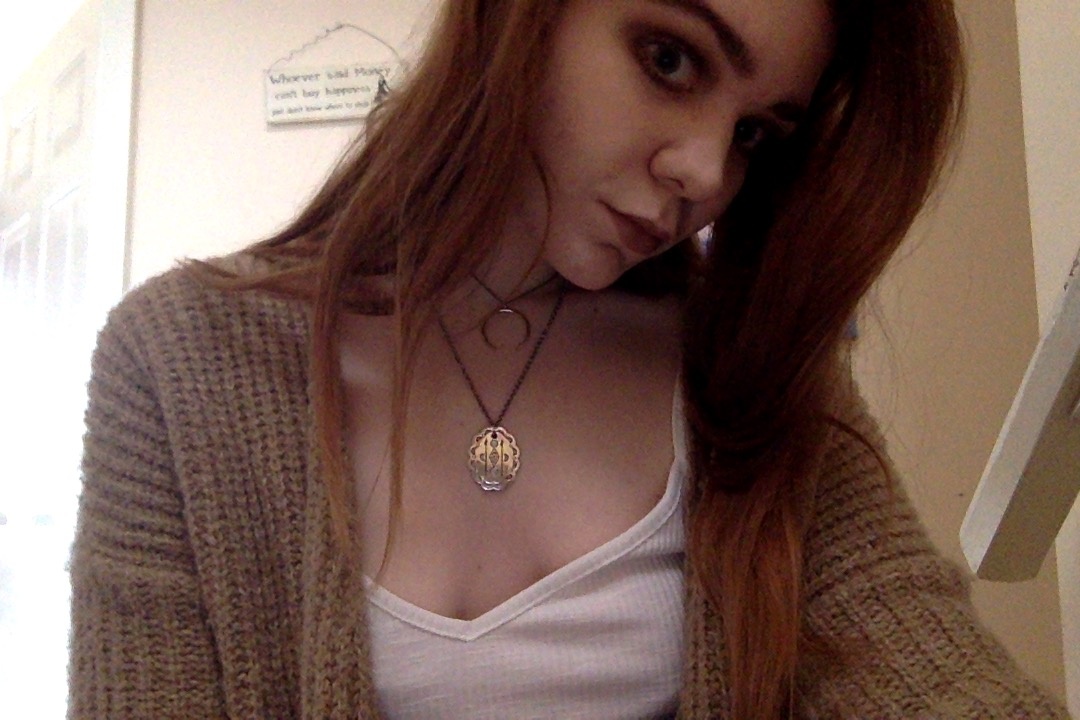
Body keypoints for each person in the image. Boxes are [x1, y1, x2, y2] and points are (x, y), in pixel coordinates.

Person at [67, 0, 1070, 718]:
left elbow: (923, 660)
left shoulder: (748, 371)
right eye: (670, 59)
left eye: (757, 133)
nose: (704, 171)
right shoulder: (177, 363)